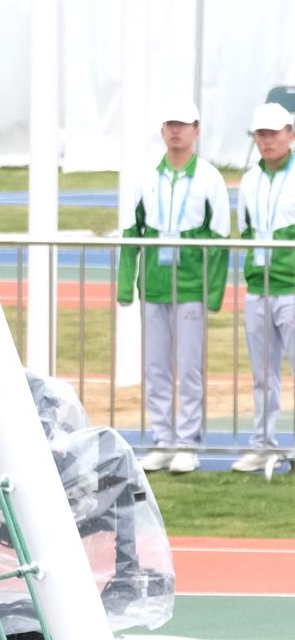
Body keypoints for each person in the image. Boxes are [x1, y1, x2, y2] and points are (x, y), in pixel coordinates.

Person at [118, 101, 228, 474]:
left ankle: (188, 442)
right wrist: (124, 285)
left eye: (182, 125)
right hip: (155, 284)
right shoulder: (145, 174)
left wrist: (213, 291)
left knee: (190, 366)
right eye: (170, 124)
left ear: (196, 128)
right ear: (162, 130)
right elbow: (131, 231)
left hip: (191, 285)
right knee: (156, 366)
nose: (175, 131)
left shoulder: (210, 178)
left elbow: (220, 238)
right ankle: (162, 439)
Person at [236, 103, 295, 474]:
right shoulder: (248, 181)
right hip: (259, 287)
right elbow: (246, 228)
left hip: (292, 288)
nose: (267, 141)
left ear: (290, 134)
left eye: (273, 133)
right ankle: (262, 444)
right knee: (262, 373)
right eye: (261, 134)